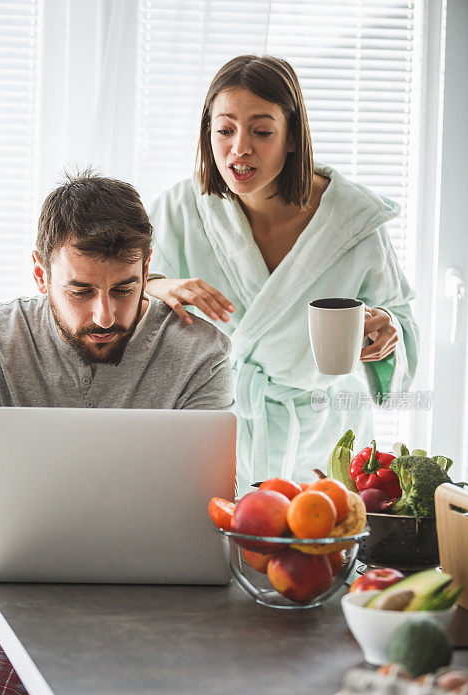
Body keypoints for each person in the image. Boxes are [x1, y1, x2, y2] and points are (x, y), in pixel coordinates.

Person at [0, 170, 233, 695]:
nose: (105, 314)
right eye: (80, 291)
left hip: (174, 612)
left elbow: (212, 500)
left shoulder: (201, 352)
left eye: (126, 289)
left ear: (149, 267)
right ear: (41, 275)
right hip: (25, 603)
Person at [146, 54, 419, 494]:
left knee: (319, 557)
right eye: (225, 129)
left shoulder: (351, 221)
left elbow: (402, 329)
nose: (239, 148)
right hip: (219, 431)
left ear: (292, 137)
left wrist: (389, 335)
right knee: (217, 556)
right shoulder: (181, 210)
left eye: (262, 131)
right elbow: (119, 296)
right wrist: (162, 285)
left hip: (326, 437)